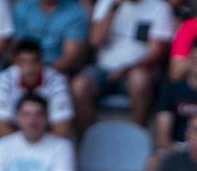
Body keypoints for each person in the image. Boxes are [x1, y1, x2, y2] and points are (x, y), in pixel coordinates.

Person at [72, 0, 176, 132]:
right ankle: (89, 138)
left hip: (139, 68)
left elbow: (156, 52)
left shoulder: (160, 7)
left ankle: (137, 135)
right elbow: (95, 41)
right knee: (79, 86)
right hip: (103, 68)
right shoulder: (106, 3)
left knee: (139, 80)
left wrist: (127, 69)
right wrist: (113, 9)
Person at [0, 39, 78, 138]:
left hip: (49, 143)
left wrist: (38, 149)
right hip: (14, 142)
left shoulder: (56, 80)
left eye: (34, 61)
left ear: (41, 61)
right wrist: (25, 149)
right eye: (24, 62)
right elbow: (1, 129)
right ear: (15, 63)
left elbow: (61, 130)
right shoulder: (5, 78)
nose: (29, 68)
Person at [11, 0, 89, 74]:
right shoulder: (23, 8)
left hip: (59, 71)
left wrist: (42, 73)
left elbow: (70, 57)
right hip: (24, 69)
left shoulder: (75, 12)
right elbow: (15, 48)